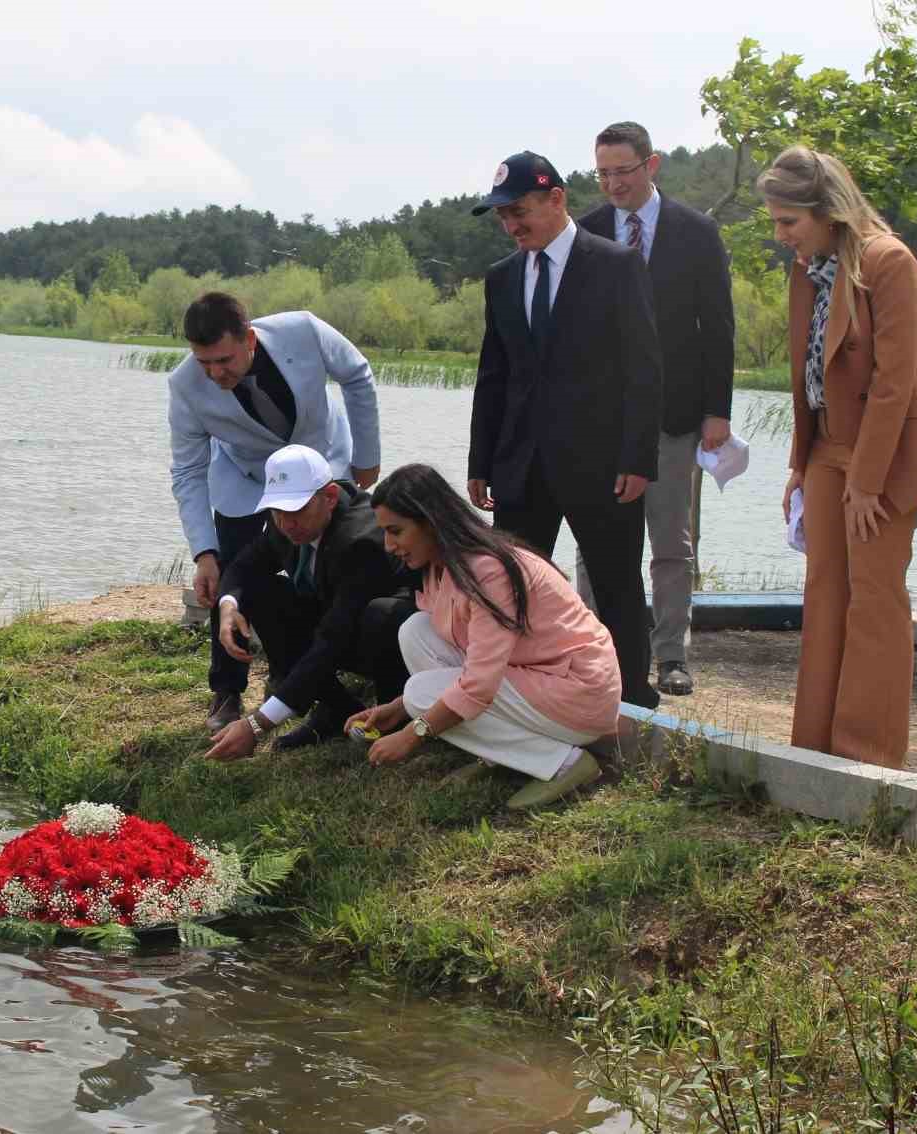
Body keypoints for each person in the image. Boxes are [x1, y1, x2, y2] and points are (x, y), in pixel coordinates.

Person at [760, 146, 917, 767]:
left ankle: (866, 762)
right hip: (827, 447)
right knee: (824, 592)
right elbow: (807, 377)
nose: (780, 234)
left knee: (873, 598)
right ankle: (813, 753)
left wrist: (867, 483)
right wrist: (800, 462)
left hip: (890, 453)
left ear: (830, 212)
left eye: (789, 221)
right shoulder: (805, 269)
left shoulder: (889, 261)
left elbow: (896, 383)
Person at [466, 150, 664, 710]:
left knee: (617, 584)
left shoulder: (616, 265)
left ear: (557, 199)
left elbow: (644, 371)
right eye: (503, 217)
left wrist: (637, 457)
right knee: (513, 585)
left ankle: (632, 702)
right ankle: (527, 694)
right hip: (521, 465)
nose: (511, 225)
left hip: (602, 464)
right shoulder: (503, 278)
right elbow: (494, 375)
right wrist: (481, 462)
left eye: (519, 211)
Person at [344, 464, 621, 809]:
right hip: (536, 677)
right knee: (416, 633)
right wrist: (396, 710)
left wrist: (411, 733)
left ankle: (562, 762)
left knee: (422, 694)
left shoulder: (488, 570)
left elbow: (478, 684)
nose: (388, 545)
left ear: (430, 522)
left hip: (578, 692)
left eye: (395, 531)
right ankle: (505, 756)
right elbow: (473, 660)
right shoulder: (442, 566)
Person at [169, 291, 382, 733]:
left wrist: (367, 457)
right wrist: (203, 552)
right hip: (245, 480)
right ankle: (226, 689)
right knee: (233, 571)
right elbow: (189, 470)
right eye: (204, 362)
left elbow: (357, 375)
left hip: (323, 462)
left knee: (341, 567)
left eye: (224, 360)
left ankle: (307, 678)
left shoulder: (302, 330)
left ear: (249, 338)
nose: (214, 373)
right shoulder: (184, 386)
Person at [575, 121, 736, 697]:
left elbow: (717, 327)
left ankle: (671, 655)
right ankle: (590, 649)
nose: (614, 184)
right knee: (597, 544)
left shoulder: (696, 232)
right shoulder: (585, 232)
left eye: (624, 171)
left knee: (671, 543)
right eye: (603, 174)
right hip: (603, 422)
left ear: (653, 165)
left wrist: (717, 410)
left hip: (674, 417)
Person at [202, 444, 412, 761]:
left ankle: (395, 713)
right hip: (339, 622)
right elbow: (244, 566)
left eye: (295, 509)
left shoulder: (361, 541)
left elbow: (332, 640)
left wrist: (257, 725)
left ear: (328, 497)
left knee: (378, 616)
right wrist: (228, 606)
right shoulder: (287, 522)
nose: (286, 523)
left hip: (389, 640)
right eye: (276, 511)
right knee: (260, 590)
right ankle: (337, 709)